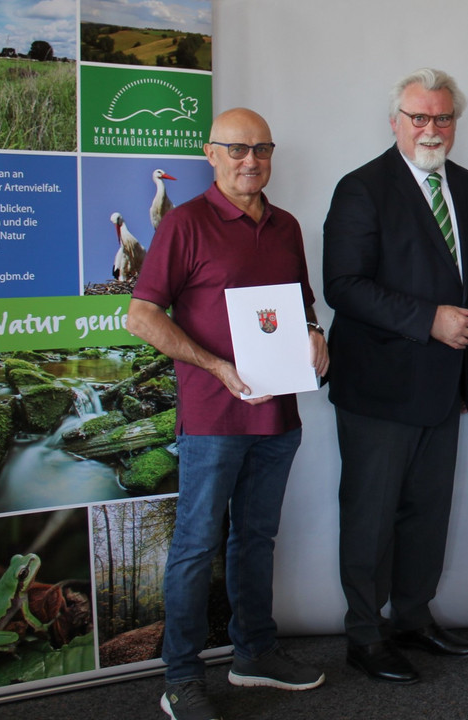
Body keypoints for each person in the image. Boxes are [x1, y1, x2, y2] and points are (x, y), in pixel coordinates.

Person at [128, 107, 329, 720]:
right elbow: (141, 316)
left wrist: (317, 333)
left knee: (256, 538)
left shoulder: (287, 225)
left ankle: (254, 654)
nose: (251, 161)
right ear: (210, 154)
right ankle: (182, 678)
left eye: (262, 149)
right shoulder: (185, 224)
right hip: (214, 416)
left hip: (279, 416)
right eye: (237, 150)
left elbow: (301, 305)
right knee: (194, 545)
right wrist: (217, 367)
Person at [322, 68, 468, 685]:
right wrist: (428, 322)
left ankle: (413, 618)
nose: (430, 128)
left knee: (427, 512)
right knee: (370, 515)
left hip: (446, 383)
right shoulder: (361, 188)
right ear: (395, 121)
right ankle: (365, 635)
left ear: (455, 123)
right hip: (378, 385)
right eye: (418, 117)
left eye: (441, 117)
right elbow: (342, 285)